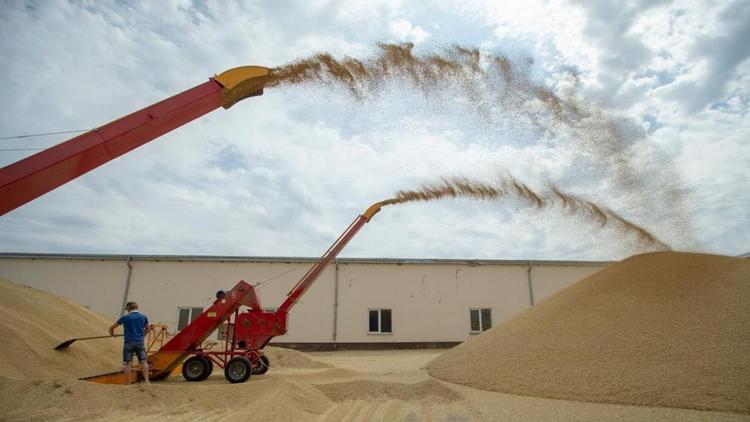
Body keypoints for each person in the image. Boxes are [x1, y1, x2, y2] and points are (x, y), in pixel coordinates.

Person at [109, 301, 151, 384]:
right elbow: (148, 329)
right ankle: (147, 381)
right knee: (143, 361)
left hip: (128, 343)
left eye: (127, 309)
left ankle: (128, 382)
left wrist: (112, 334)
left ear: (129, 308)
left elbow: (112, 327)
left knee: (127, 363)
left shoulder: (125, 317)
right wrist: (142, 336)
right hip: (140, 342)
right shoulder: (143, 317)